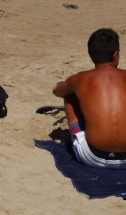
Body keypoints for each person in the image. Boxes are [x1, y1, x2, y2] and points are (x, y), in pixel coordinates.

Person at [53, 28, 126, 169]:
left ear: (90, 55)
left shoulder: (80, 79)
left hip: (92, 157)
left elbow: (57, 91)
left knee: (68, 93)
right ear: (116, 55)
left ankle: (77, 132)